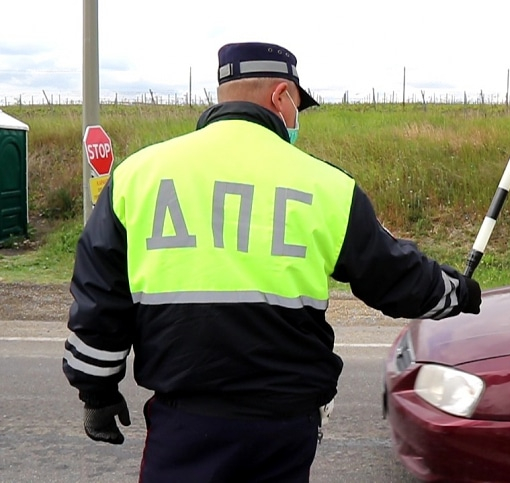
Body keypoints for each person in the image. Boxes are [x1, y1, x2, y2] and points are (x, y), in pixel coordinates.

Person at [62, 41, 482, 483]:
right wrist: (457, 292)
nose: (297, 119)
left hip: (185, 421)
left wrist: (97, 390)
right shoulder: (325, 186)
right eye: (299, 105)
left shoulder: (138, 175)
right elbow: (393, 275)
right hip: (283, 427)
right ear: (281, 96)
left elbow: (100, 296)